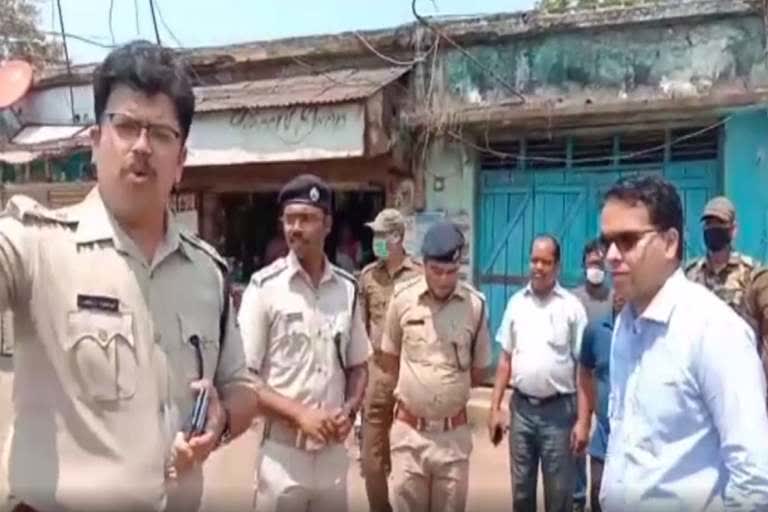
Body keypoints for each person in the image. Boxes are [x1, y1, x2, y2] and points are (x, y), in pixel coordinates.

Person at [0, 41, 258, 512]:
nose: (142, 145)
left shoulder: (208, 273)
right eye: (126, 126)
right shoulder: (34, 244)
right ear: (96, 143)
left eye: (161, 133)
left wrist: (220, 420)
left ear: (180, 161)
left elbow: (240, 388)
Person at [599, 175, 768, 511]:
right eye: (606, 243)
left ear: (670, 242)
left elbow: (755, 478)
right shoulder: (624, 326)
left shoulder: (715, 331)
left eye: (628, 240)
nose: (611, 256)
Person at [237, 174, 370, 512]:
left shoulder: (347, 289)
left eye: (306, 219)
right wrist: (299, 415)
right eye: (289, 219)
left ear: (327, 224)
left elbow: (358, 365)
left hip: (332, 457)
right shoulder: (263, 288)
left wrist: (350, 409)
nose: (295, 227)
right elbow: (244, 379)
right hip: (283, 457)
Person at [379, 221, 491, 512]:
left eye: (451, 272)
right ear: (423, 264)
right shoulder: (402, 300)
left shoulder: (475, 306)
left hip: (453, 440)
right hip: (409, 436)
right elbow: (389, 360)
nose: (443, 280)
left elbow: (478, 371)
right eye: (436, 271)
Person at [488, 235, 588, 512]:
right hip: (521, 411)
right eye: (534, 260)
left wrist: (582, 421)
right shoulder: (516, 303)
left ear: (556, 266)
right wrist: (495, 407)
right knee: (521, 493)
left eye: (545, 261)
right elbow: (505, 360)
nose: (538, 267)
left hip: (559, 414)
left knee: (559, 495)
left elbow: (583, 369)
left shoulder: (571, 307)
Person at [358, 208, 422, 512]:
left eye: (381, 235)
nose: (376, 241)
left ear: (397, 237)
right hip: (377, 378)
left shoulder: (420, 277)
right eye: (375, 235)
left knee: (411, 459)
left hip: (412, 378)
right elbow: (359, 329)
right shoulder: (368, 276)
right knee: (371, 461)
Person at [570, 238, 612, 512]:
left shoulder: (614, 296)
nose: (595, 268)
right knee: (577, 441)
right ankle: (577, 498)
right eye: (591, 264)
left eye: (600, 263)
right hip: (578, 380)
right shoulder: (572, 299)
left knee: (603, 442)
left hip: (605, 380)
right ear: (584, 266)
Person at [576, 291, 625, 512]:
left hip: (634, 443)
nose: (620, 293)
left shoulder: (650, 333)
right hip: (603, 440)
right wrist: (584, 422)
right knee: (598, 495)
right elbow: (585, 371)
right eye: (616, 287)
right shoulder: (596, 331)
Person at [685, 196, 755, 320]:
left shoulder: (750, 273)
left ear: (733, 230)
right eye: (709, 223)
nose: (713, 228)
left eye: (720, 223)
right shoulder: (690, 274)